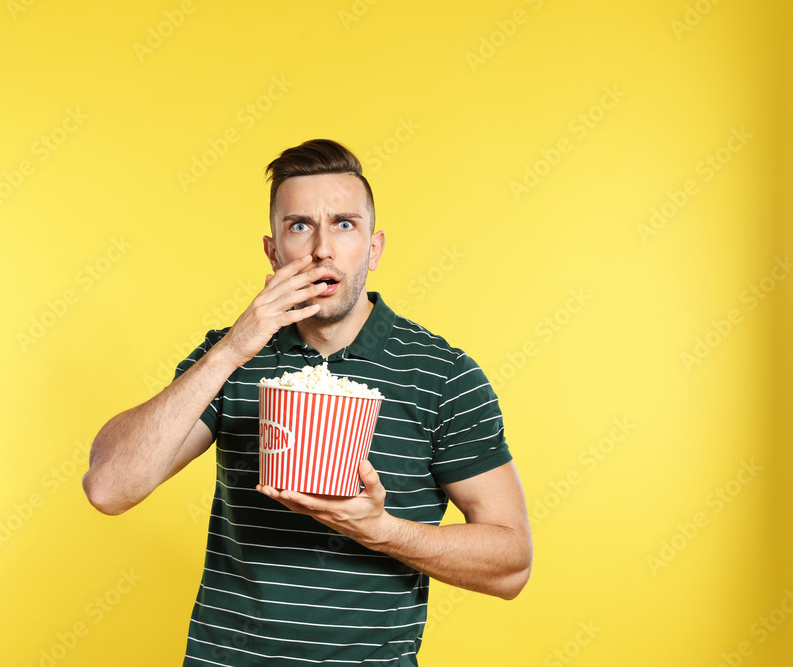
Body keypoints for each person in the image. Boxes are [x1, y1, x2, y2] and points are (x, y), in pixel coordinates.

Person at [82, 139, 532, 665]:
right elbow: (109, 489)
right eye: (299, 226)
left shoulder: (442, 375)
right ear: (274, 253)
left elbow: (511, 566)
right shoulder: (230, 356)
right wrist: (233, 348)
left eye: (344, 224)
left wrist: (380, 531)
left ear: (373, 248)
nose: (322, 249)